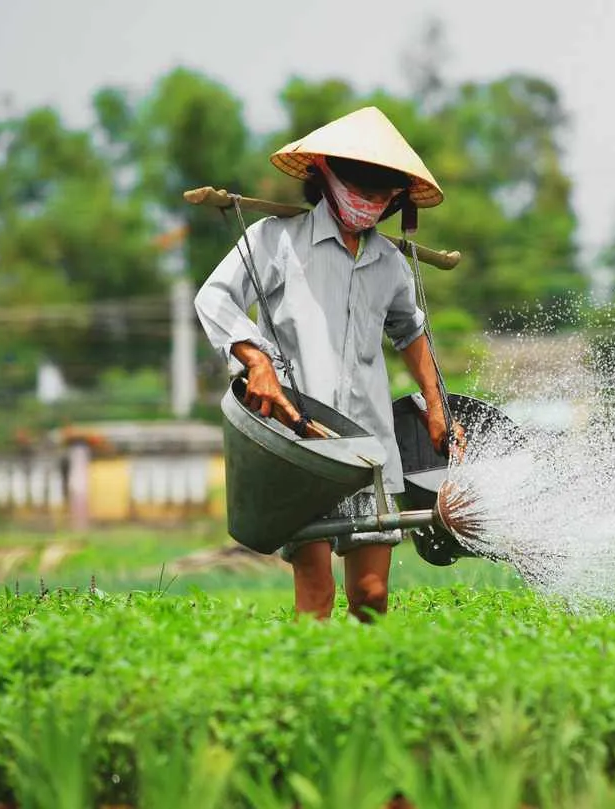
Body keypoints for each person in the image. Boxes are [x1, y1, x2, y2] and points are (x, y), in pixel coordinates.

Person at [194, 107, 457, 621]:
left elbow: (411, 329)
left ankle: (368, 688)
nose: (369, 200)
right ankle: (310, 686)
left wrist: (436, 404)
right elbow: (215, 298)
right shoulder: (276, 241)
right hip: (301, 444)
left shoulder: (390, 263)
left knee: (372, 598)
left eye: (383, 192)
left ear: (396, 199)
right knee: (315, 597)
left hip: (369, 449)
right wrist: (255, 360)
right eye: (360, 184)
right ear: (326, 175)